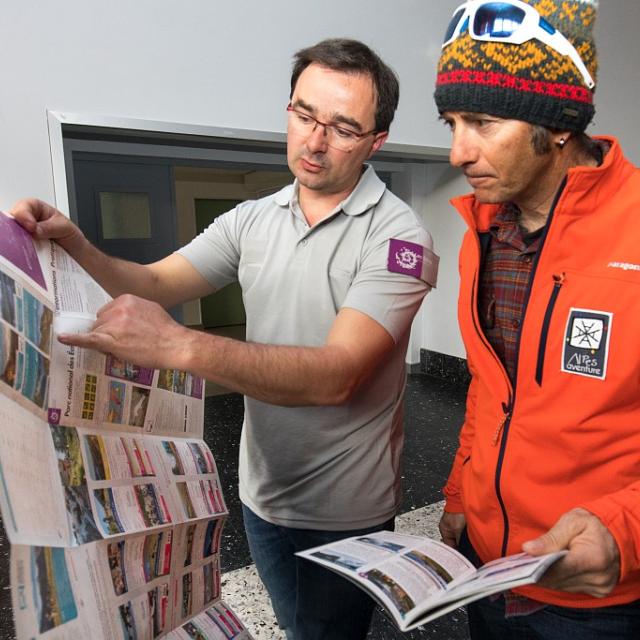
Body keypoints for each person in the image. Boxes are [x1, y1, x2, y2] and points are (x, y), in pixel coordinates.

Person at [11, 38, 438, 639]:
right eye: (304, 114)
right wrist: (75, 242)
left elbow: (337, 375)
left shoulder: (402, 238)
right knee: (295, 626)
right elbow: (156, 281)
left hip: (347, 512)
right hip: (262, 494)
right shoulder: (253, 218)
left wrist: (180, 348)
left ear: (376, 141)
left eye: (342, 128)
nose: (315, 141)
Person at [433, 0, 640, 638]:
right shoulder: (482, 233)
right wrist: (460, 496)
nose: (457, 152)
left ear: (557, 125)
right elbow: (488, 385)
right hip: (488, 566)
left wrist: (626, 532)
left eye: (482, 122)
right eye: (451, 122)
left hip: (596, 597)